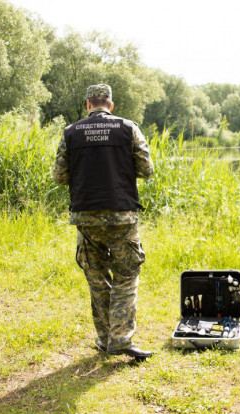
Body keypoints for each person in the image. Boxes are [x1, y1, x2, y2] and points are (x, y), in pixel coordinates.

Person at [53, 84, 154, 360]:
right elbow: (147, 170)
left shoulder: (71, 132)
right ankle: (120, 339)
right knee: (126, 276)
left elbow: (60, 176)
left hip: (85, 217)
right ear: (111, 104)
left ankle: (104, 337)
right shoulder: (128, 128)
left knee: (97, 278)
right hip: (121, 214)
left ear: (88, 104)